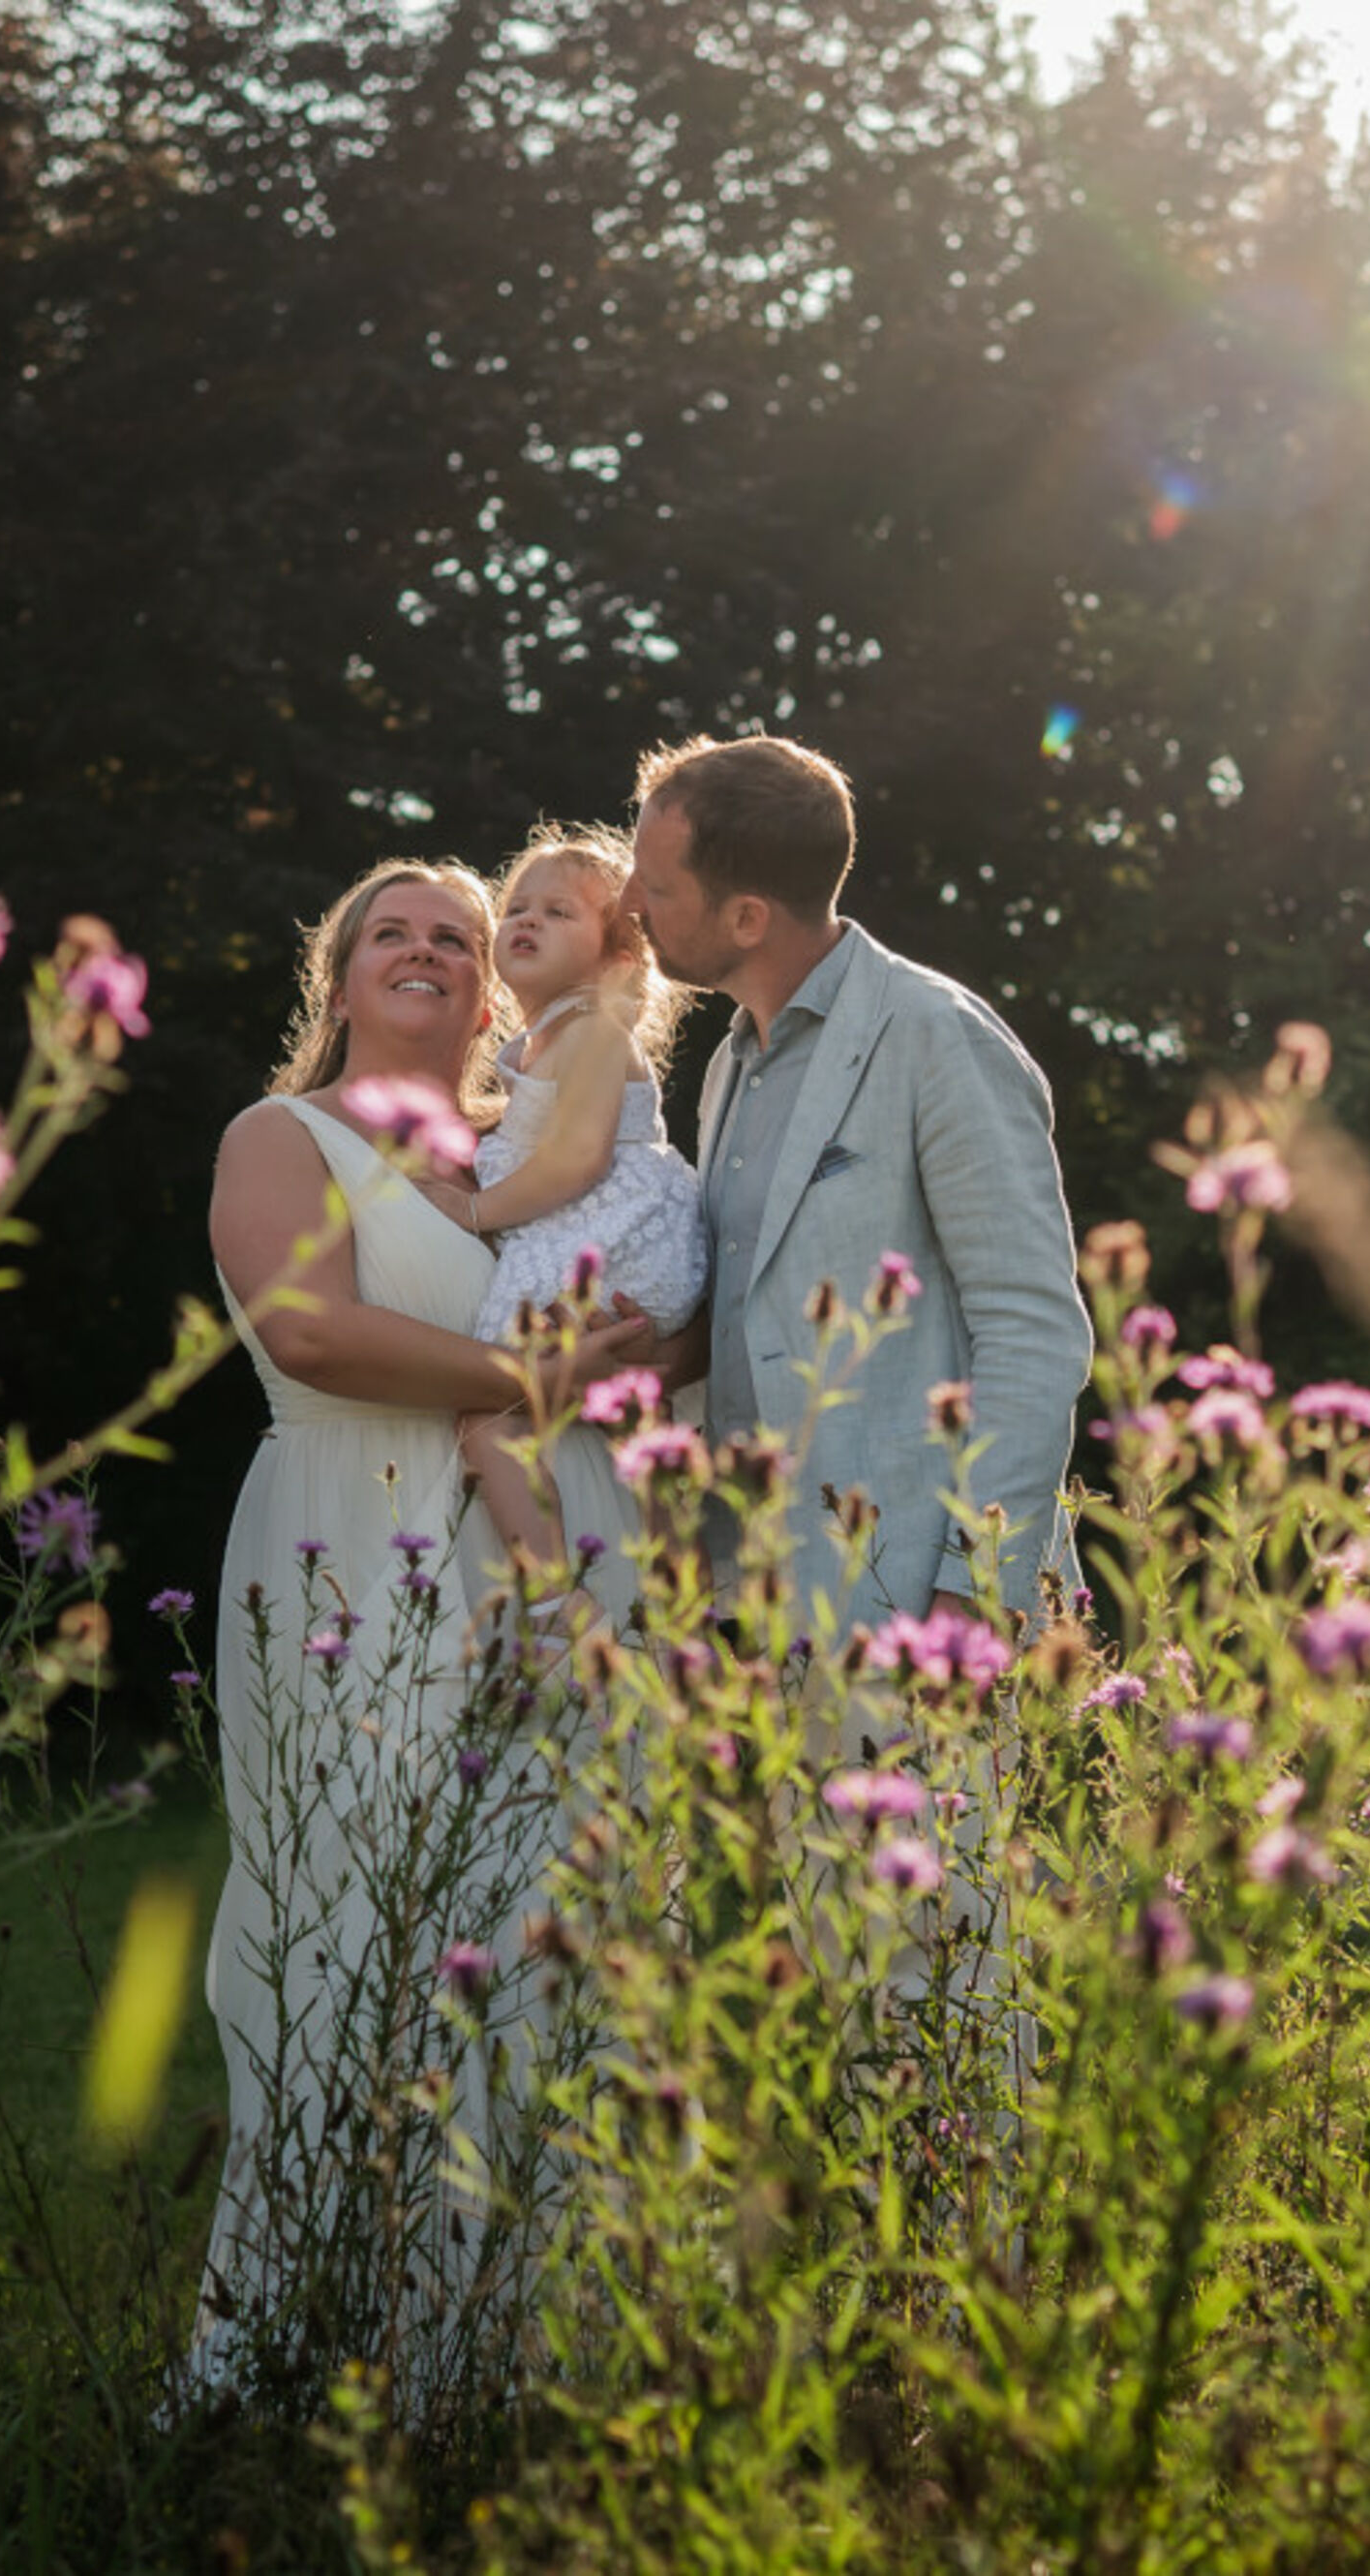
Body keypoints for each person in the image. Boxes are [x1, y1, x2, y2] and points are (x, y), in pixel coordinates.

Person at [177, 858, 651, 2419]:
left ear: (497, 983)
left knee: (536, 1925)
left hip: (550, 1555)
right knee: (349, 1913)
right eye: (394, 930)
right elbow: (305, 1327)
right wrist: (531, 1382)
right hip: (349, 1546)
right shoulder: (283, 1136)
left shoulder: (544, 1147)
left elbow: (652, 1304)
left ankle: (499, 2351)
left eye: (458, 933)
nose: (431, 949)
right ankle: (299, 2331)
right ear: (341, 976)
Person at [624, 735, 1092, 1636]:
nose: (630, 902)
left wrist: (974, 1595)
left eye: (660, 887)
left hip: (914, 1599)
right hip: (749, 1604)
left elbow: (1032, 1330)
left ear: (748, 917)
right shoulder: (730, 1065)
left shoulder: (934, 1036)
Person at [450, 825, 704, 1584]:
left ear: (619, 959)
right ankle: (676, 1588)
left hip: (618, 1242)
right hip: (607, 1243)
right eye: (518, 906)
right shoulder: (542, 1041)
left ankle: (552, 1594)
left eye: (559, 912)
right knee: (623, 1414)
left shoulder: (592, 1025)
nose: (526, 920)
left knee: (487, 1413)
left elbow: (576, 1159)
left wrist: (470, 1212)